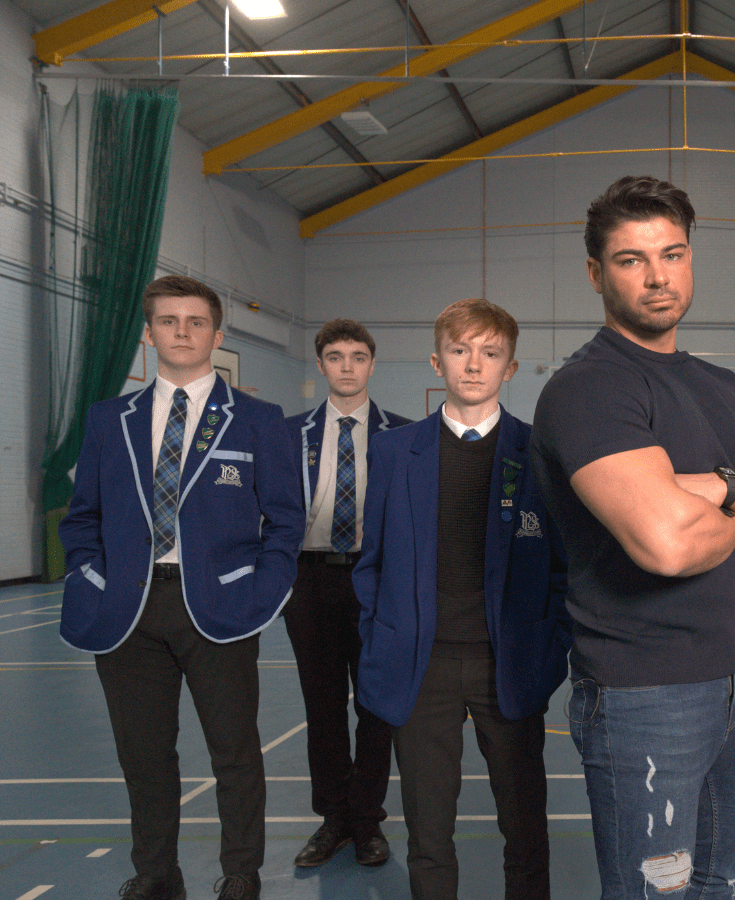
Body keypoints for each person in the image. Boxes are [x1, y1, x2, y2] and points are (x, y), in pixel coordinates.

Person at [530, 175, 735, 899]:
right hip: (644, 696)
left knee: (720, 879)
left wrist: (720, 487)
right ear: (596, 273)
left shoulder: (725, 389)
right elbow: (667, 545)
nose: (658, 275)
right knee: (653, 894)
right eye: (632, 259)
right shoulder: (589, 389)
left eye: (673, 253)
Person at [60, 275, 304, 900]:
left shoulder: (258, 420)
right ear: (149, 335)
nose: (183, 332)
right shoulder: (109, 419)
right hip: (129, 610)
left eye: (196, 322)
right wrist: (92, 579)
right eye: (169, 321)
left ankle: (242, 870)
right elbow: (81, 515)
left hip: (220, 605)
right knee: (144, 756)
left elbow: (286, 517)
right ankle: (155, 872)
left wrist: (263, 587)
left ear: (217, 335)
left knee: (235, 753)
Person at [352, 299, 571, 900]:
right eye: (460, 350)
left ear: (510, 367)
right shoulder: (395, 451)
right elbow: (370, 562)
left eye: (490, 353)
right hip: (420, 668)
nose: (474, 364)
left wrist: (547, 650)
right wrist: (383, 639)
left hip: (510, 664)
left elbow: (561, 568)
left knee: (525, 827)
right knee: (428, 831)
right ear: (436, 360)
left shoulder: (537, 454)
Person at [283, 319, 410, 869]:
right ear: (321, 365)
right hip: (310, 580)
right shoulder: (289, 434)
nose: (348, 366)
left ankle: (367, 821)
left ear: (372, 363)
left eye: (358, 356)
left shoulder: (401, 435)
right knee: (324, 706)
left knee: (375, 705)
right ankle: (333, 817)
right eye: (336, 356)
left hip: (374, 578)